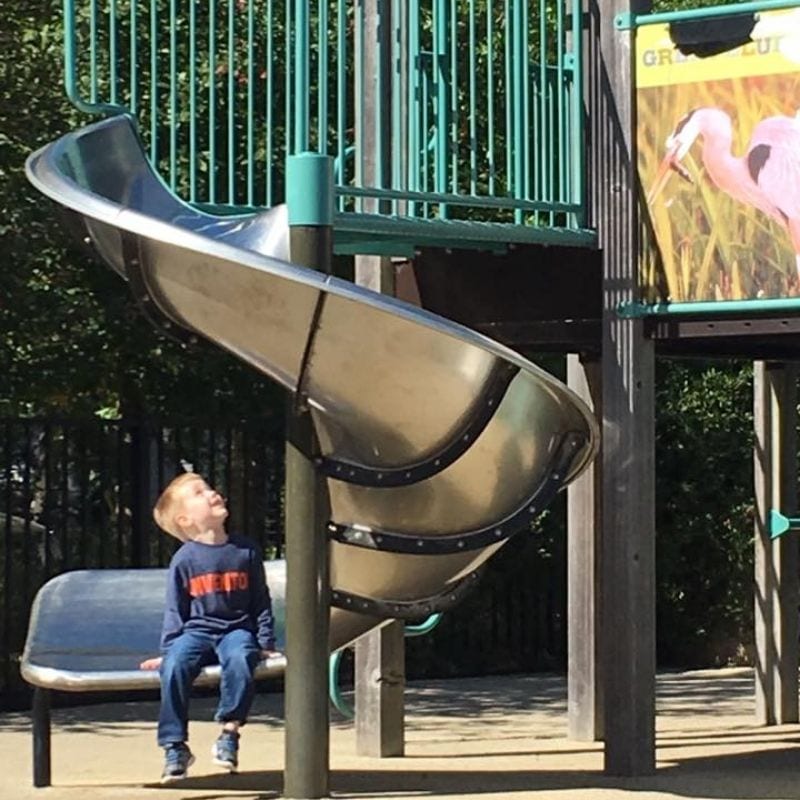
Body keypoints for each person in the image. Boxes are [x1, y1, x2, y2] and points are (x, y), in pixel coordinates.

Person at [139, 472, 279, 783]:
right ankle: (174, 745)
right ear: (185, 520)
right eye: (199, 493)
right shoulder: (184, 560)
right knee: (175, 665)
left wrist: (265, 641)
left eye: (209, 488)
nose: (212, 492)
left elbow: (260, 600)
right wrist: (169, 650)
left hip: (236, 630)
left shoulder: (246, 551)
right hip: (197, 632)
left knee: (241, 657)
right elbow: (176, 609)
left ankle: (229, 732)